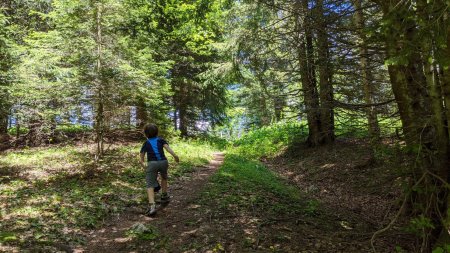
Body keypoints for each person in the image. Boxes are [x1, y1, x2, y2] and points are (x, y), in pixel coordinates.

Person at [139, 123, 179, 216]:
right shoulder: (161, 140)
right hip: (163, 162)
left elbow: (141, 156)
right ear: (157, 132)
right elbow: (168, 148)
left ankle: (152, 206)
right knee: (164, 177)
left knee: (150, 184)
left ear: (146, 134)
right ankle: (164, 195)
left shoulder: (146, 143)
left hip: (152, 164)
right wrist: (175, 156)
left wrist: (143, 164)